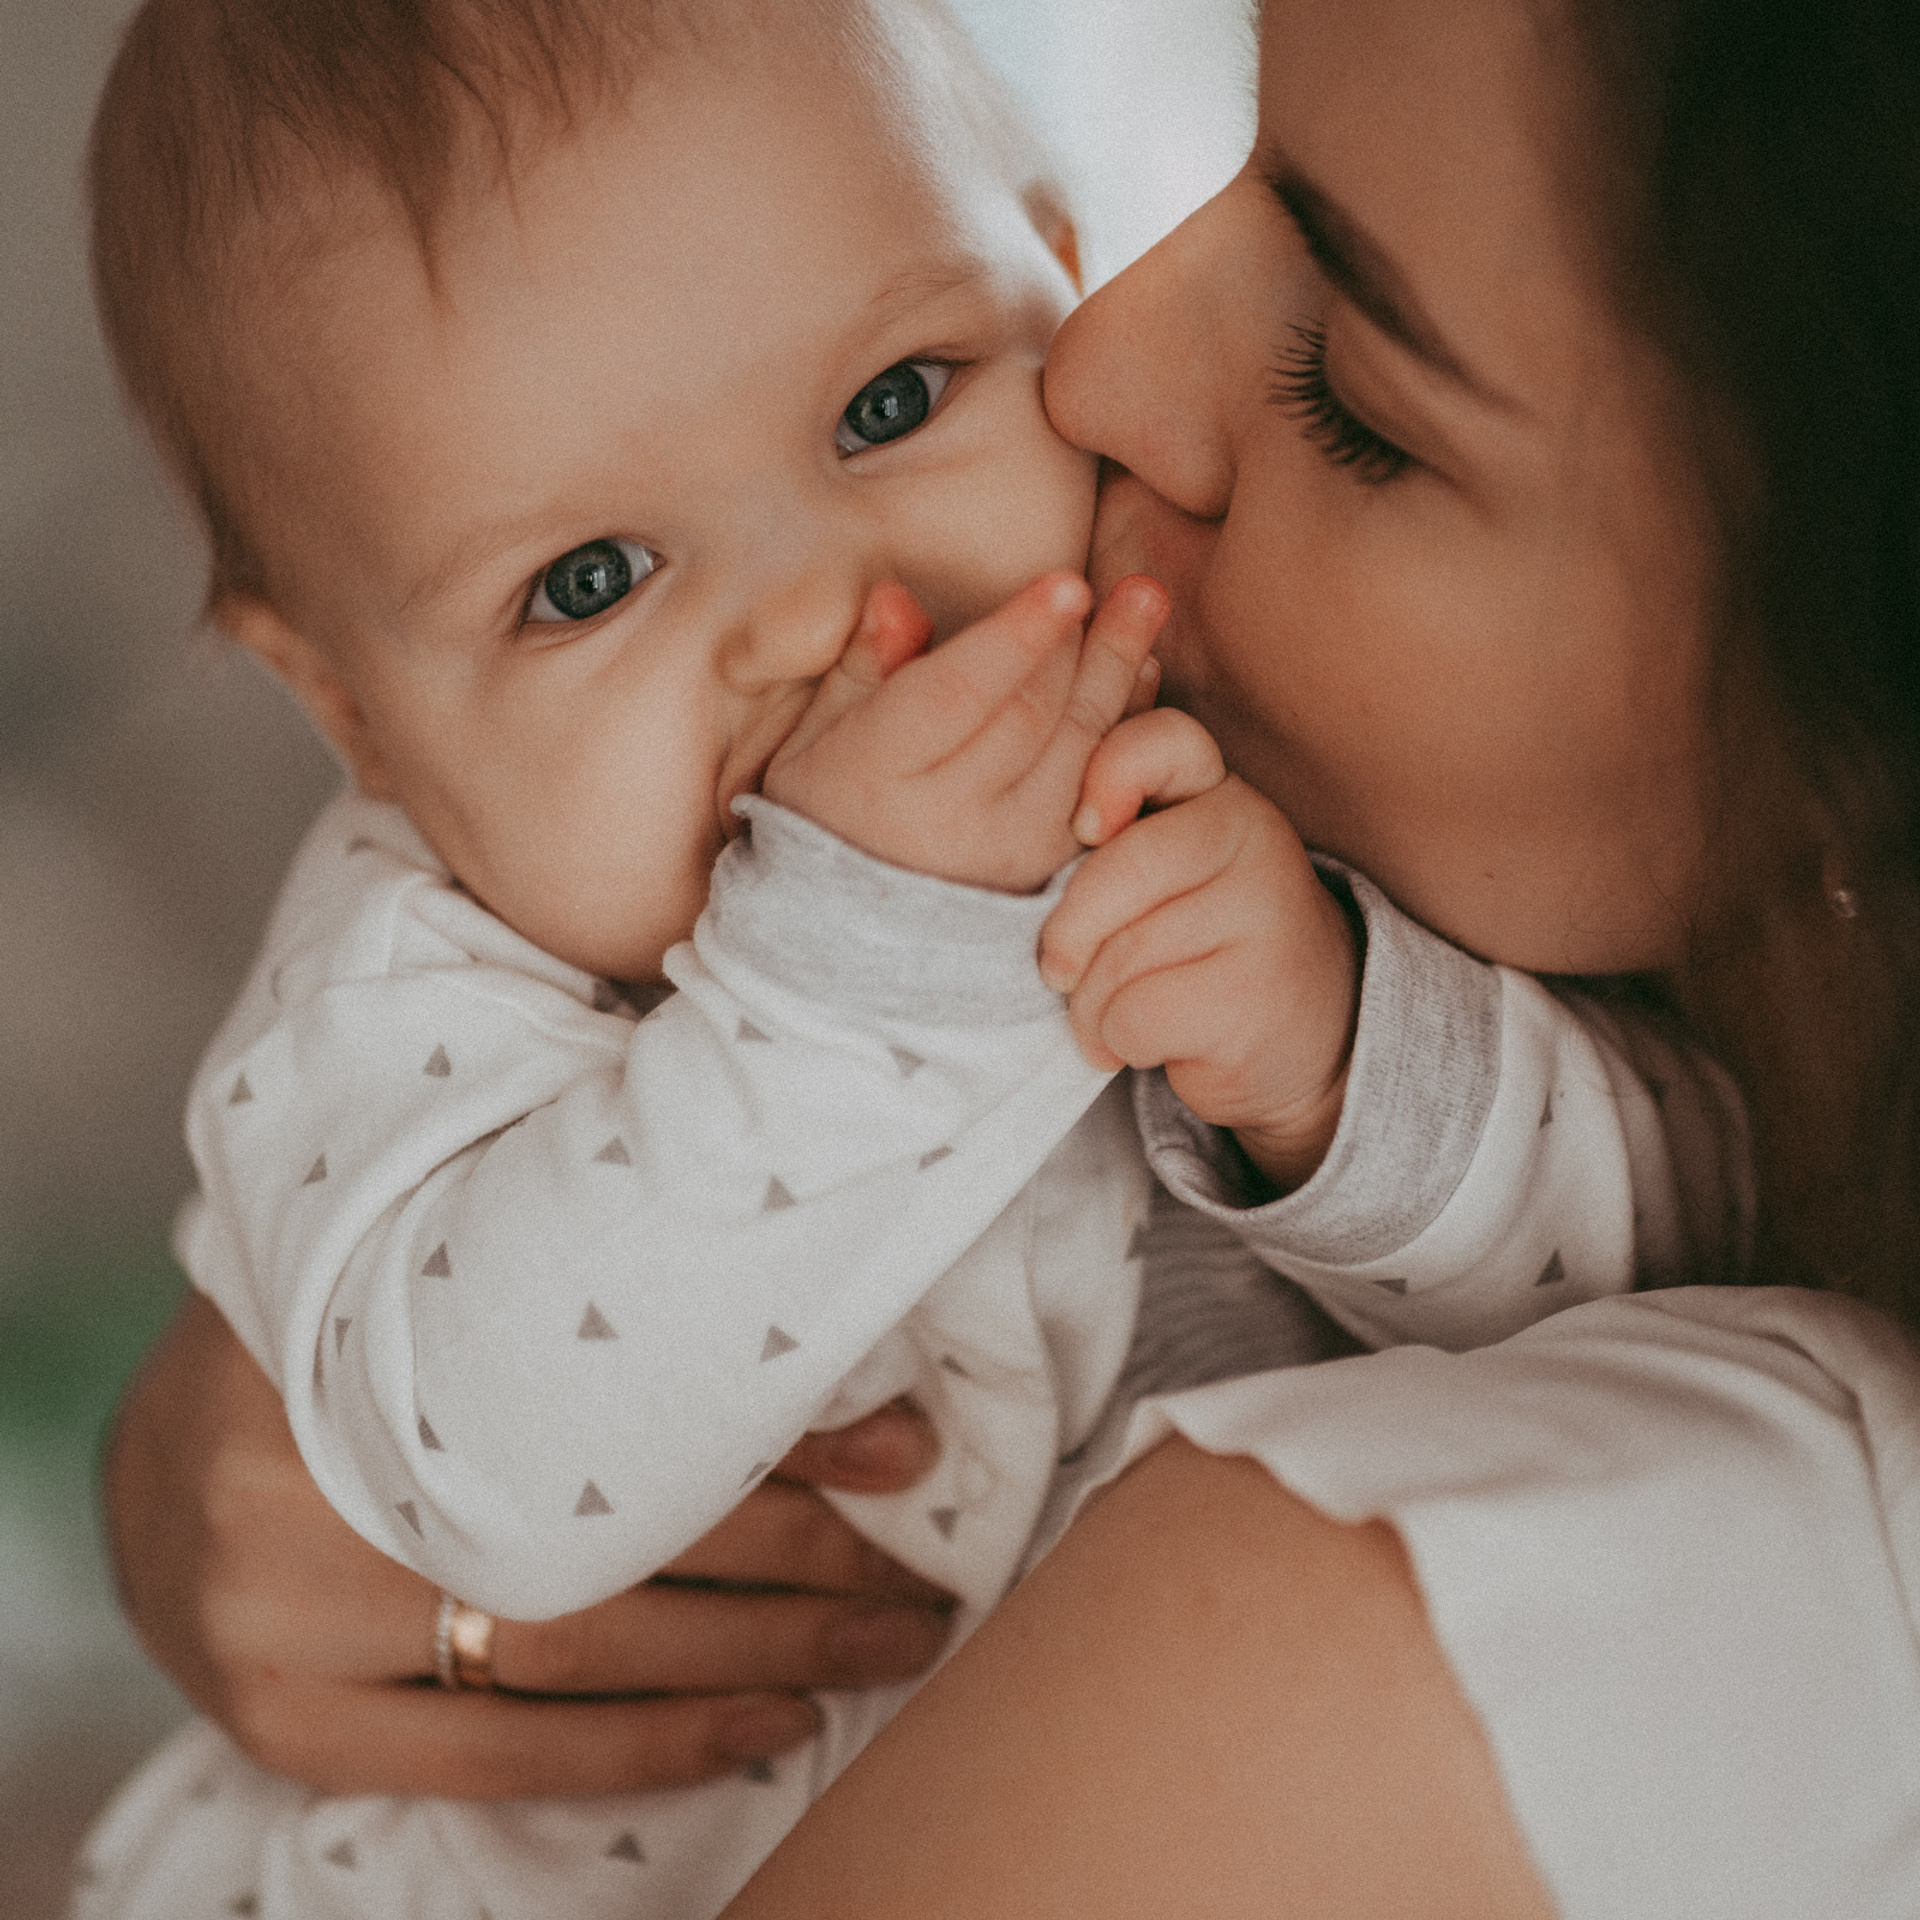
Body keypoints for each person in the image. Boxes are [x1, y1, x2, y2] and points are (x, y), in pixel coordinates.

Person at [94, 0, 1920, 1911]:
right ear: (348, 714)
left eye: (895, 403)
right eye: (587, 582)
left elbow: (1672, 1242)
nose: (825, 608)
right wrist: (866, 956)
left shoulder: (1232, 797)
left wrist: (1346, 1069)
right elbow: (475, 1468)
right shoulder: (415, 988)